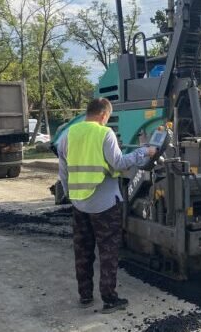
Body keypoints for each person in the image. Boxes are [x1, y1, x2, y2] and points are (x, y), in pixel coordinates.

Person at [57, 98, 155, 313]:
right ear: (103, 115)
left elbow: (63, 171)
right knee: (108, 252)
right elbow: (119, 163)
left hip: (79, 204)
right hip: (105, 204)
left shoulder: (68, 134)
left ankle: (85, 296)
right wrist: (144, 152)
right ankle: (109, 299)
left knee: (82, 251)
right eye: (107, 117)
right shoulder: (105, 133)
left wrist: (70, 195)